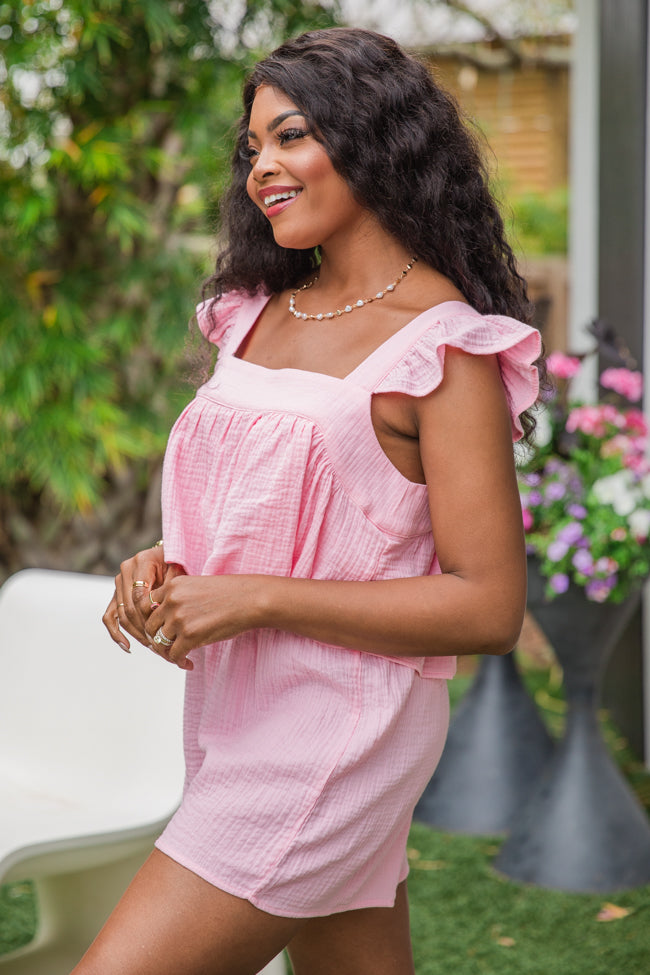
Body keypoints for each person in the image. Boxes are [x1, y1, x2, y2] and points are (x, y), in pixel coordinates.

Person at [81, 26, 542, 975]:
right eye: (253, 146)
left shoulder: (442, 348)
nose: (262, 166)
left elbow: (489, 606)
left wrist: (252, 597)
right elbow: (278, 510)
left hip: (335, 731)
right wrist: (172, 566)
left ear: (374, 139)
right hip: (238, 711)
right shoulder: (256, 311)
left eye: (291, 135)